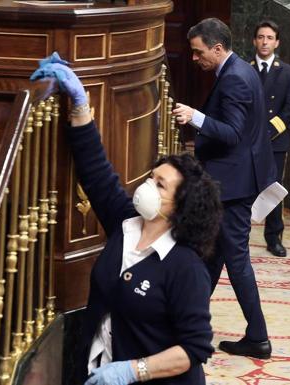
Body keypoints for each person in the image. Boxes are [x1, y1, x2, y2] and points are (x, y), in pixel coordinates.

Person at [31, 53, 223, 385]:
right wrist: (79, 106)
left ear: (181, 205)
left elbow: (194, 348)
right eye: (152, 177)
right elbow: (97, 173)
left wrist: (132, 371)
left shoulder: (185, 266)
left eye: (160, 184)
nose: (148, 185)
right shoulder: (126, 222)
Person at [172, 18, 277, 359]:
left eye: (198, 52)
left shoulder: (234, 79)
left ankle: (258, 336)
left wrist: (195, 117)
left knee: (235, 259)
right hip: (235, 180)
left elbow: (232, 133)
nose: (194, 58)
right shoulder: (238, 71)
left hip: (233, 186)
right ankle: (188, 324)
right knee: (213, 255)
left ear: (217, 49)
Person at [251, 20, 290, 257]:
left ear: (277, 42)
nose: (265, 41)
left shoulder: (288, 72)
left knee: (273, 190)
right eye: (261, 37)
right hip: (248, 141)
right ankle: (238, 236)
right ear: (254, 41)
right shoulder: (245, 69)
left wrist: (268, 132)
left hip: (275, 141)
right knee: (244, 188)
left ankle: (273, 238)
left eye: (269, 37)